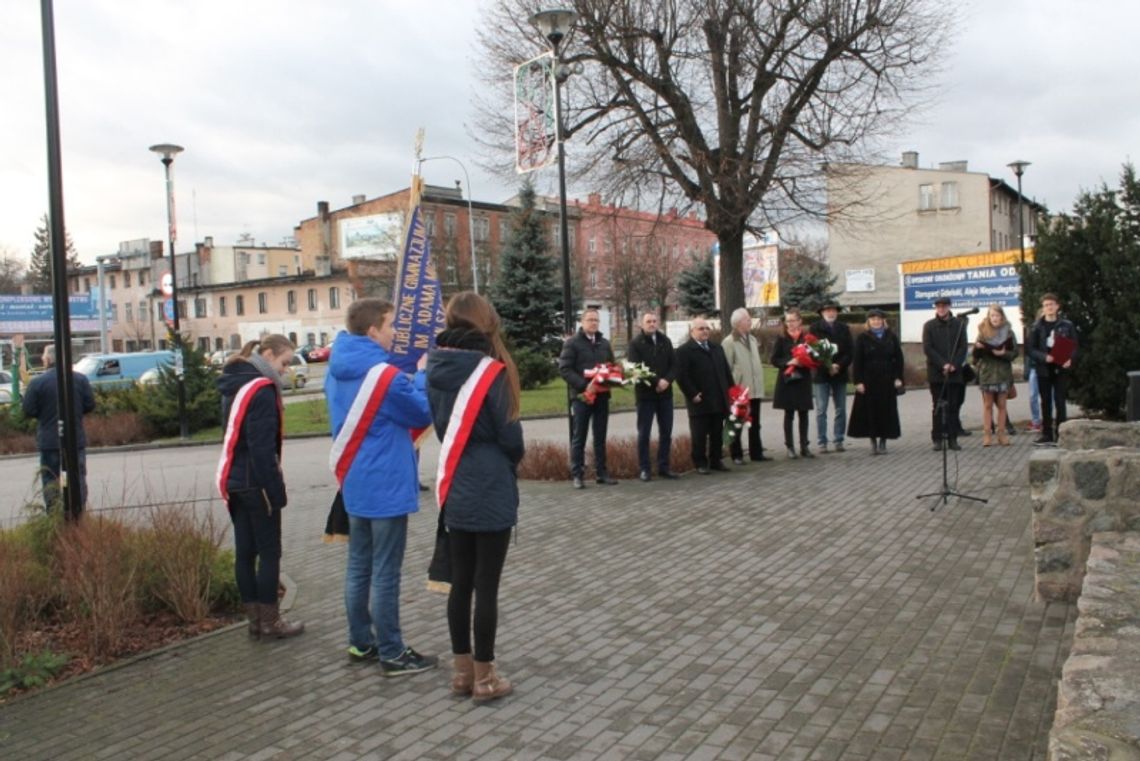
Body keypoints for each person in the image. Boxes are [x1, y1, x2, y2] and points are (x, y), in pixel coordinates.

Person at [326, 298, 437, 675]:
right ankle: (392, 651)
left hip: (355, 479)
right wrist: (422, 375)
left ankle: (362, 643)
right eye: (390, 325)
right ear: (373, 330)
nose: (395, 333)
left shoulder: (337, 368)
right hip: (386, 482)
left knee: (358, 566)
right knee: (385, 571)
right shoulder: (383, 376)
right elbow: (421, 411)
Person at [426, 292, 524, 703]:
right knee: (486, 586)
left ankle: (462, 674)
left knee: (460, 583)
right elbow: (510, 438)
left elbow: (439, 428)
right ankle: (487, 678)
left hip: (456, 482)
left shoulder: (435, 367)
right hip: (490, 483)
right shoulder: (491, 371)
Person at [216, 335, 304, 640]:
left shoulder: (233, 384)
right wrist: (276, 492)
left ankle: (254, 620)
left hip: (235, 480)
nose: (285, 371)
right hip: (257, 483)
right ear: (267, 354)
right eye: (283, 363)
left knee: (244, 553)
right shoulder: (262, 391)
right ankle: (271, 621)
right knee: (269, 553)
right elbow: (262, 448)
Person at [22, 344, 96, 511]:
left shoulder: (37, 383)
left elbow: (28, 409)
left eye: (43, 356)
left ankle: (55, 514)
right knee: (76, 477)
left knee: (51, 480)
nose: (42, 359)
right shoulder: (80, 380)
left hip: (50, 441)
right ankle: (77, 514)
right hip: (74, 439)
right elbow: (90, 404)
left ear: (48, 359)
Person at [558, 308, 617, 488]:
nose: (593, 323)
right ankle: (577, 474)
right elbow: (565, 369)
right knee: (579, 436)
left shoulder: (604, 343)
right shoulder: (572, 343)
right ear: (582, 323)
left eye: (596, 320)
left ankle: (602, 473)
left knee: (600, 436)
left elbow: (611, 366)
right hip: (582, 396)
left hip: (601, 396)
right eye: (590, 320)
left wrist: (614, 377)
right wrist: (584, 385)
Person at [674, 316, 734, 474]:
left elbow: (726, 372)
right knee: (699, 434)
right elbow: (682, 376)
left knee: (716, 432)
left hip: (718, 398)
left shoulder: (717, 348)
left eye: (707, 328)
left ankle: (716, 460)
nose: (705, 331)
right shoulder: (684, 351)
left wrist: (731, 391)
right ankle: (700, 462)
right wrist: (692, 394)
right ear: (692, 331)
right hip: (699, 399)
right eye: (701, 329)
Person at [627, 312, 679, 481]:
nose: (652, 324)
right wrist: (657, 381)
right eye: (648, 321)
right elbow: (635, 368)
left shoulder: (665, 341)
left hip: (665, 395)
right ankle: (645, 469)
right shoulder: (635, 344)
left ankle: (664, 467)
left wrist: (667, 380)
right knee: (644, 433)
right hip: (646, 395)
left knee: (666, 432)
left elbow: (674, 365)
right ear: (641, 325)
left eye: (654, 321)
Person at [847, 310, 905, 454]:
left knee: (886, 411)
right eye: (873, 319)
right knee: (870, 412)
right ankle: (873, 442)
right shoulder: (862, 338)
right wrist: (858, 381)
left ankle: (883, 441)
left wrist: (898, 378)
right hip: (869, 379)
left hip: (887, 378)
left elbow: (899, 359)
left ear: (883, 321)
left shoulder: (891, 337)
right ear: (869, 322)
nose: (876, 322)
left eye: (878, 319)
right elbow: (857, 361)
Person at [1028, 293, 1078, 445]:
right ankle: (1047, 434)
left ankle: (1062, 433)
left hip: (1060, 368)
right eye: (1046, 305)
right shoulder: (1037, 327)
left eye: (1051, 304)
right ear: (1043, 308)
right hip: (1044, 369)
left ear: (1057, 306)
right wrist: (1044, 357)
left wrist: (1070, 359)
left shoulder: (1066, 325)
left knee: (1060, 400)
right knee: (1046, 401)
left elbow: (1075, 345)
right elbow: (1031, 349)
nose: (1049, 307)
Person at [720, 307, 768, 464]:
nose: (750, 321)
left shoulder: (752, 339)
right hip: (739, 390)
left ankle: (756, 452)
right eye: (748, 319)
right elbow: (725, 367)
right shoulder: (729, 342)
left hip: (754, 389)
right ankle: (736, 455)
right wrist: (732, 388)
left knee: (755, 423)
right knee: (737, 424)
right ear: (739, 323)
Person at [922, 296, 968, 451]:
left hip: (954, 373)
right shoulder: (929, 326)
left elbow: (963, 347)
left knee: (953, 406)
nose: (941, 309)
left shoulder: (959, 325)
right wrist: (943, 364)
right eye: (938, 306)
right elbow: (928, 348)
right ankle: (937, 438)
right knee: (938, 405)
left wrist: (954, 364)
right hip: (937, 372)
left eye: (944, 306)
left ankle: (952, 438)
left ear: (949, 307)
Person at [770, 309, 815, 459]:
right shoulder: (781, 338)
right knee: (789, 414)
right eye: (788, 321)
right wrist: (789, 362)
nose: (790, 323)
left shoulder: (807, 338)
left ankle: (804, 446)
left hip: (803, 379)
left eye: (793, 320)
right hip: (787, 381)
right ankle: (790, 447)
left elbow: (815, 357)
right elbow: (774, 360)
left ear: (800, 321)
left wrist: (807, 361)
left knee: (804, 413)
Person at [810, 301, 853, 453]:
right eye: (827, 311)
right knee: (821, 409)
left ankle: (839, 439)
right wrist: (827, 366)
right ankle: (822, 441)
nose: (831, 313)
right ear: (822, 313)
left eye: (833, 310)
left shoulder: (844, 328)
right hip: (821, 375)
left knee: (840, 408)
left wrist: (838, 366)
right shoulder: (815, 328)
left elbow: (849, 352)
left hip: (839, 374)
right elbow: (812, 351)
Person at [973, 304, 1019, 447]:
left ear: (1002, 317)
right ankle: (987, 434)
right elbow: (975, 358)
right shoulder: (983, 332)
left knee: (1002, 405)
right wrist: (978, 348)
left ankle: (1002, 434)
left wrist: (1003, 353)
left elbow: (1015, 353)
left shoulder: (1009, 332)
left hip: (1003, 372)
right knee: (987, 405)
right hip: (987, 372)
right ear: (988, 317)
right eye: (992, 315)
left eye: (997, 315)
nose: (994, 318)